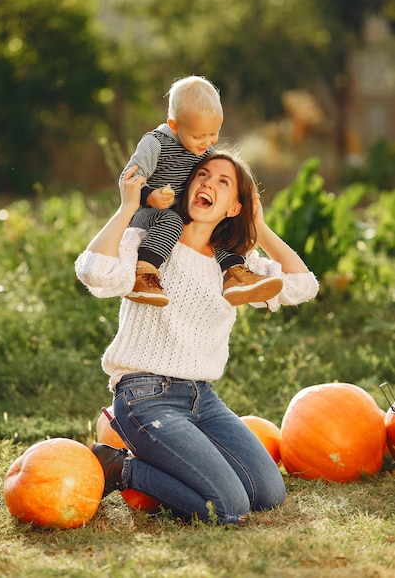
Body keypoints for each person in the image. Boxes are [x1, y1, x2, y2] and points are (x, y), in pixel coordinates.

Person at [75, 151, 319, 525]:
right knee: (229, 509)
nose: (208, 183)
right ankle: (121, 468)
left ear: (234, 207)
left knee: (269, 494)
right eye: (203, 175)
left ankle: (171, 470)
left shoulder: (236, 267)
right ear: (190, 187)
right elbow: (94, 271)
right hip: (144, 397)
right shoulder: (150, 245)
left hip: (203, 400)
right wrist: (127, 207)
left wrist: (261, 227)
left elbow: (303, 286)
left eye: (223, 181)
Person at [119, 75, 283, 307]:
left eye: (213, 133)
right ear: (174, 126)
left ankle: (236, 274)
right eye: (199, 136)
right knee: (171, 220)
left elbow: (224, 170)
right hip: (149, 215)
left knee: (216, 225)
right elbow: (128, 177)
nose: (207, 142)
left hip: (184, 213)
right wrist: (150, 196)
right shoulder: (155, 143)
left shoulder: (204, 149)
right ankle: (142, 275)